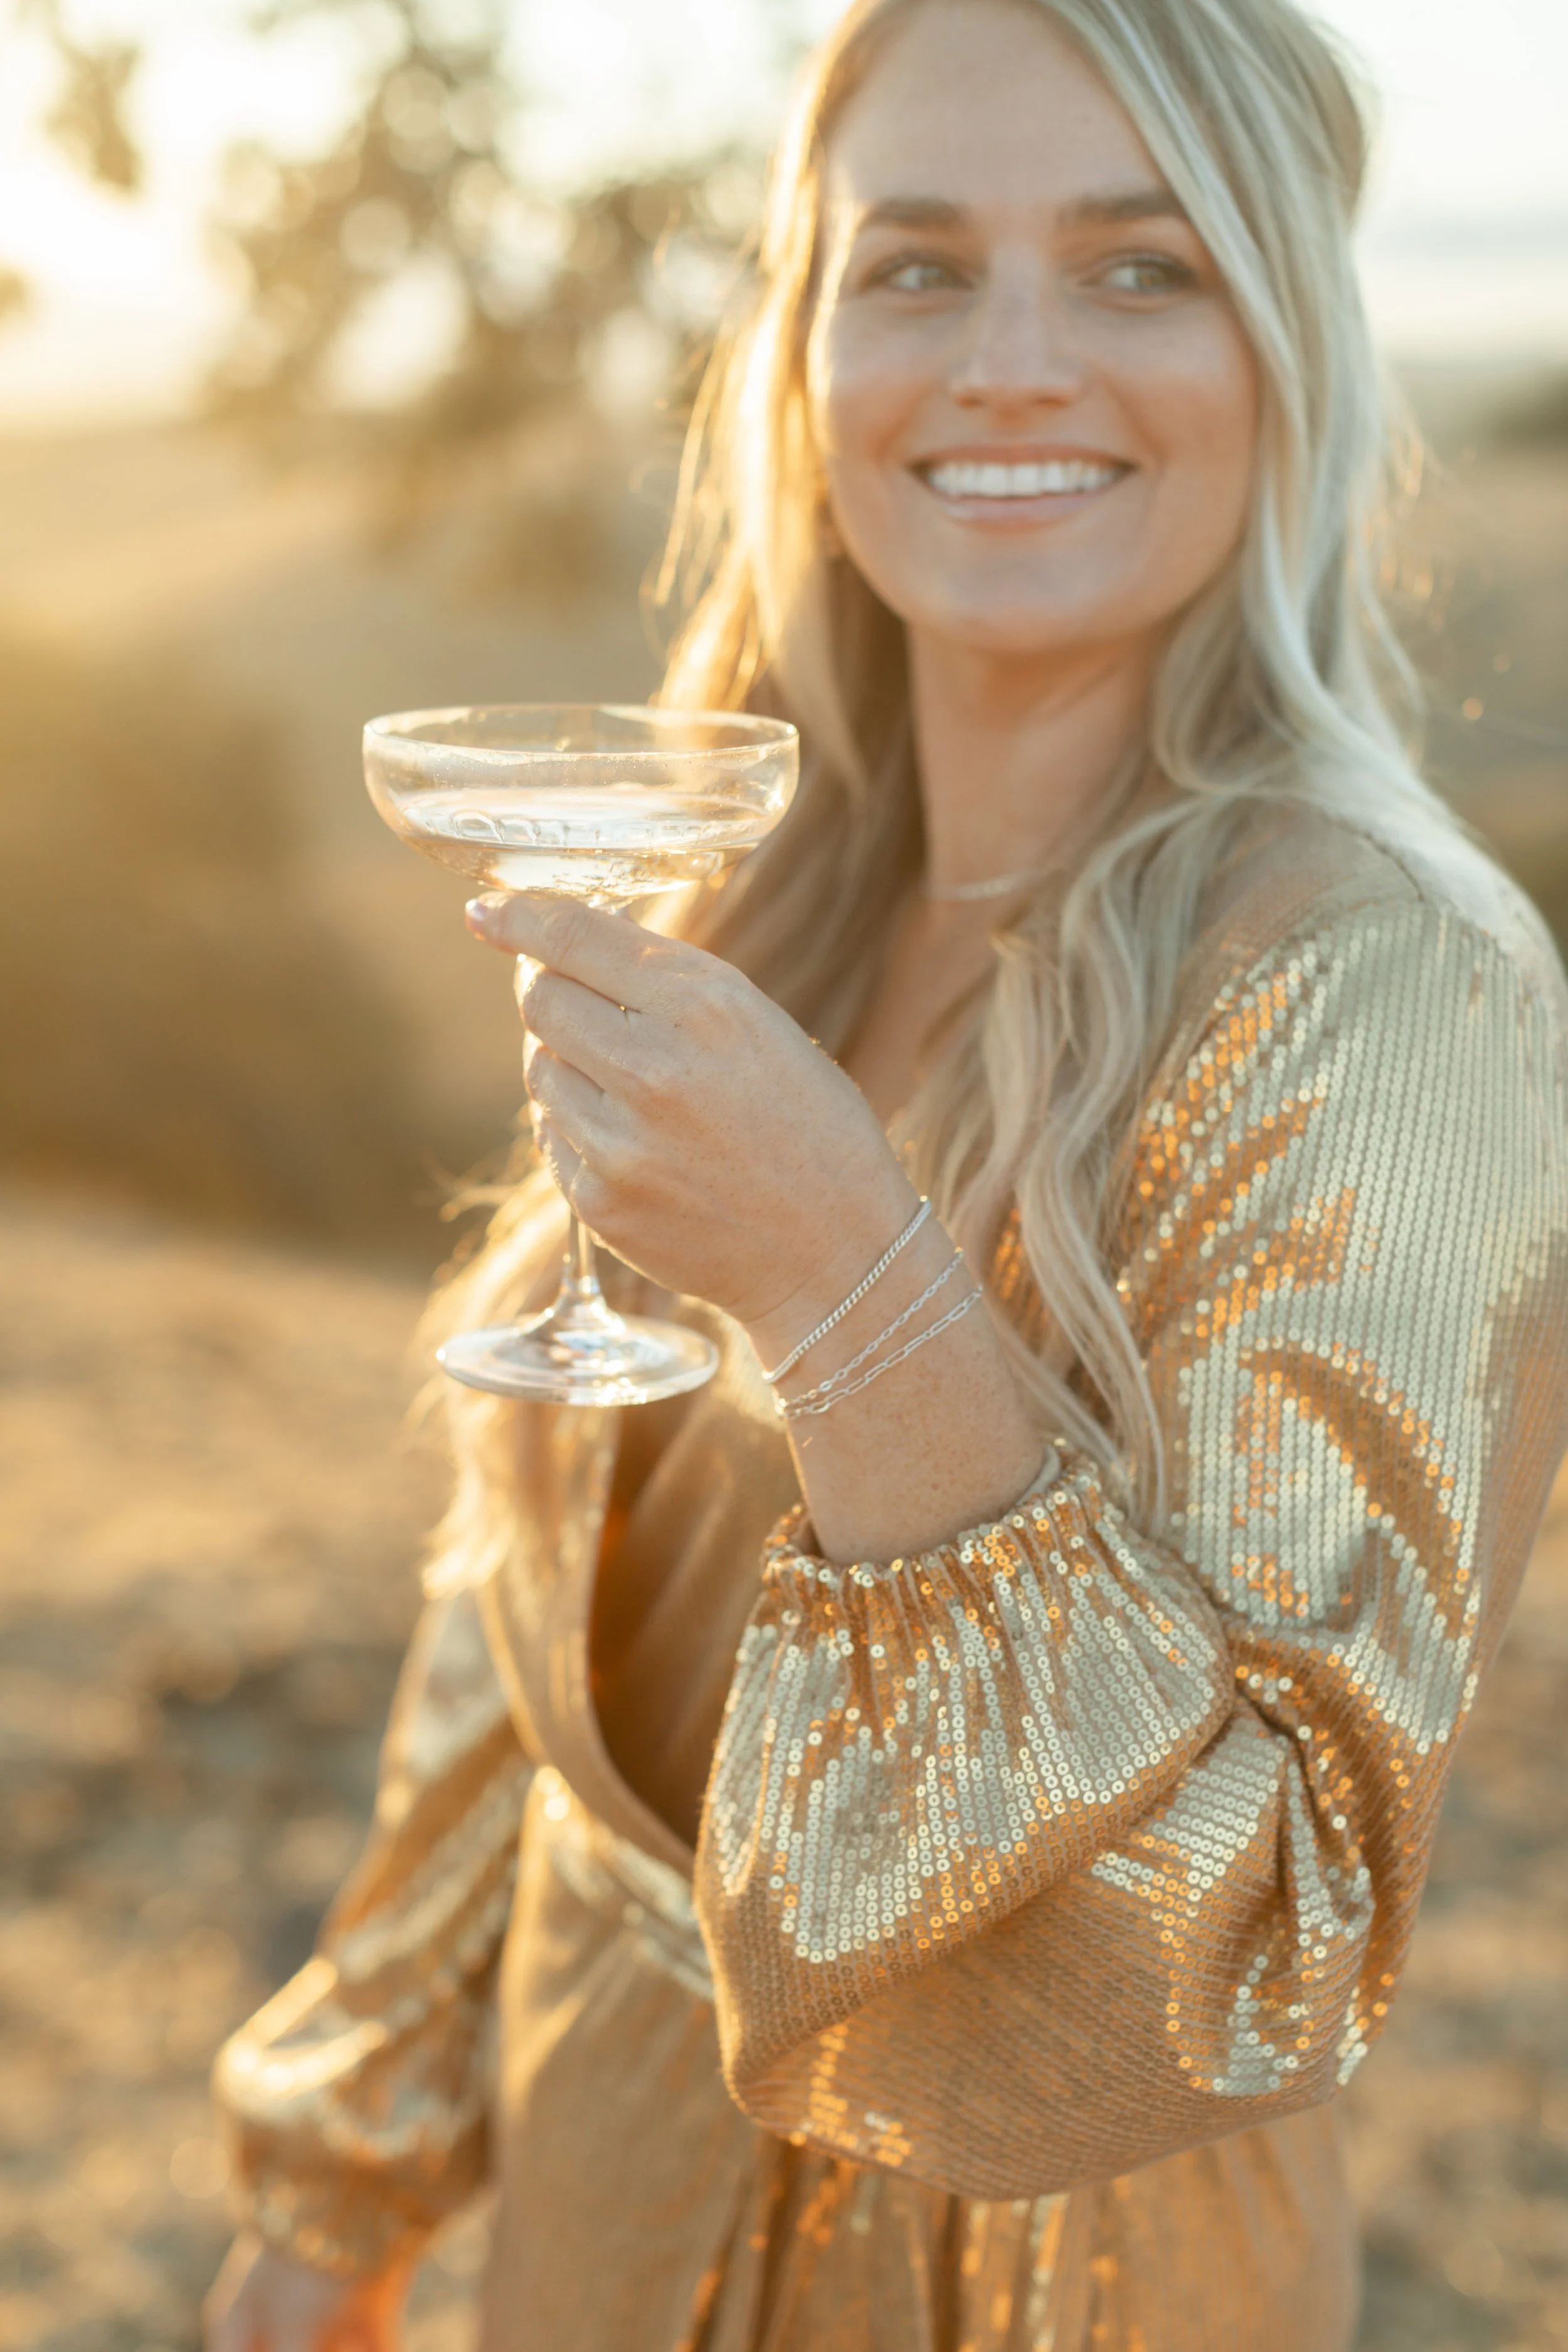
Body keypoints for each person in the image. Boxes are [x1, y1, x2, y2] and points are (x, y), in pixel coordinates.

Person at [203, 0, 1568, 2345]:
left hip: (1033, 2278)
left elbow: (1257, 1932)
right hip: (599, 2199)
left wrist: (850, 1287)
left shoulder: (1387, 981)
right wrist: (346, 2171)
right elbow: (532, 1614)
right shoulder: (760, 886)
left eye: (1139, 268)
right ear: (804, 346)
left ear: (1285, 344)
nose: (1008, 363)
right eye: (914, 265)